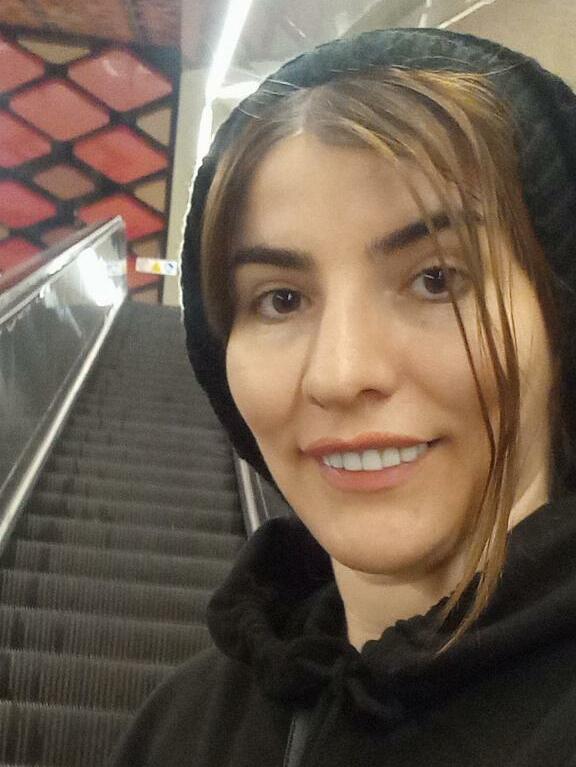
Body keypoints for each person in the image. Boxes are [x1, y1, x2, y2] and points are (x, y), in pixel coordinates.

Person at [112, 27, 576, 767]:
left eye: (436, 279)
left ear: (560, 318)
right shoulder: (182, 726)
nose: (338, 373)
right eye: (281, 299)